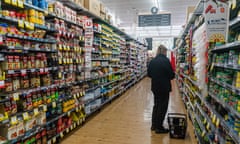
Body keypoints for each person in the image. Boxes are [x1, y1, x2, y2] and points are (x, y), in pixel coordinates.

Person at [147, 45, 175, 134]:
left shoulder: (153, 61)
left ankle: (153, 125)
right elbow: (171, 75)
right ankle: (159, 127)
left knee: (156, 105)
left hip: (155, 87)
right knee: (162, 107)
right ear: (164, 51)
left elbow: (149, 74)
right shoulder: (166, 61)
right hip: (164, 87)